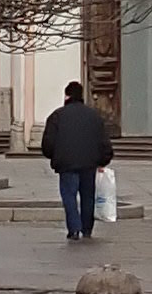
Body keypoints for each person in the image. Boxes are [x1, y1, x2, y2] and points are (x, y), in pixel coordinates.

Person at [39, 73, 116, 243]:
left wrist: (54, 156)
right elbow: (104, 141)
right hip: (89, 164)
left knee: (69, 196)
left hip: (66, 164)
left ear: (66, 96)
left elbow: (48, 143)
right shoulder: (94, 116)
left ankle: (74, 229)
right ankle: (87, 229)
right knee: (88, 196)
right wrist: (103, 160)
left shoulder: (57, 116)